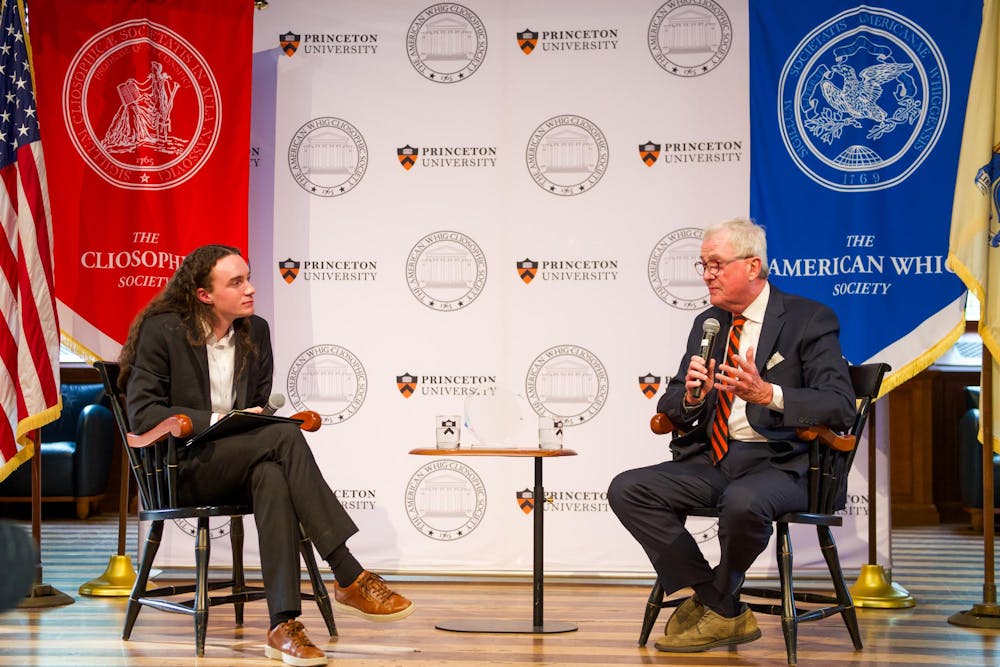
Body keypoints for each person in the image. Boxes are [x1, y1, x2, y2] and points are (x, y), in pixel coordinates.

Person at [119, 244, 413, 667]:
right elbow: (144, 412)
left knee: (274, 474)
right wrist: (219, 418)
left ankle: (283, 626)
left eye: (248, 277)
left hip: (240, 461)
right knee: (285, 439)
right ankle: (347, 572)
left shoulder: (255, 331)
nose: (251, 289)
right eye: (236, 282)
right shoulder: (162, 330)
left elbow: (256, 408)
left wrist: (252, 418)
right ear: (204, 294)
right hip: (181, 465)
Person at [608, 218, 855, 653]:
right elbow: (672, 399)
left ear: (753, 266)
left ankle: (719, 601)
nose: (707, 274)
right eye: (703, 264)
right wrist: (690, 397)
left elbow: (839, 404)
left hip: (785, 463)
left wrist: (768, 393)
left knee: (744, 502)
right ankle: (715, 597)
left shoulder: (808, 318)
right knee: (628, 488)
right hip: (717, 458)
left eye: (717, 264)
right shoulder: (711, 323)